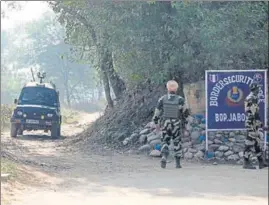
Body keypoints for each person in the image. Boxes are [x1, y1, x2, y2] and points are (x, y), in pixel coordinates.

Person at [152, 80, 190, 169]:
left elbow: (157, 113)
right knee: (177, 142)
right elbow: (185, 113)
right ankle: (177, 164)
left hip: (165, 123)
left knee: (165, 141)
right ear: (176, 89)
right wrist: (185, 125)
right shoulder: (180, 99)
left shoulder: (162, 99)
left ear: (167, 88)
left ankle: (164, 156)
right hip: (176, 123)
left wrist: (156, 122)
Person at [243, 81, 268, 169]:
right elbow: (254, 113)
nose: (259, 90)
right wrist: (261, 125)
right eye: (258, 88)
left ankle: (261, 162)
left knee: (257, 142)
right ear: (255, 89)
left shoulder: (252, 97)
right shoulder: (252, 98)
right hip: (252, 123)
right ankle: (246, 162)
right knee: (249, 142)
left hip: (253, 122)